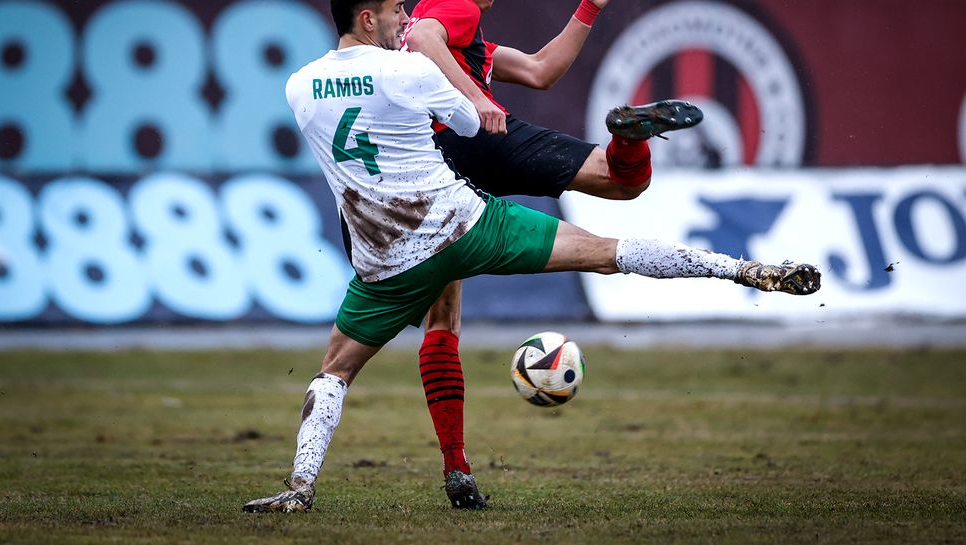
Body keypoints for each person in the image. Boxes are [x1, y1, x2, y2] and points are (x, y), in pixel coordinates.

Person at [241, 0, 820, 513]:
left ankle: (300, 487)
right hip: (466, 223)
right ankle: (741, 270)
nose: (404, 19)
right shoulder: (413, 56)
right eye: (395, 10)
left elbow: (532, 69)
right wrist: (469, 97)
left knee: (335, 371)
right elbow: (465, 115)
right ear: (368, 18)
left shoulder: (299, 85)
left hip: (388, 260)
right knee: (603, 249)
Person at [401, 0, 703, 508]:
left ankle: (456, 466)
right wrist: (477, 98)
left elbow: (542, 70)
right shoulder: (451, 6)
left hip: (437, 166)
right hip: (462, 145)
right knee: (621, 178)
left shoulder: (466, 42)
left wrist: (588, 8)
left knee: (441, 322)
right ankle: (624, 138)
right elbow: (423, 38)